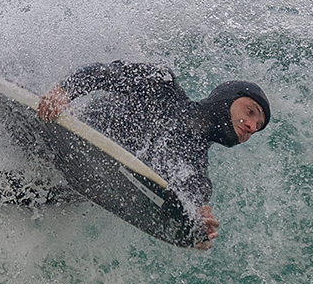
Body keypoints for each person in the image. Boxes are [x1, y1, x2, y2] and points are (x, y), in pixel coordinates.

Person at [37, 60, 270, 250]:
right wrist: (65, 90)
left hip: (85, 175)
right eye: (250, 112)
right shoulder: (161, 85)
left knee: (42, 197)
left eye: (257, 127)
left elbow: (191, 193)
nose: (251, 126)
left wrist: (197, 221)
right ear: (226, 98)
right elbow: (104, 74)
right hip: (71, 127)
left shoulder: (193, 161)